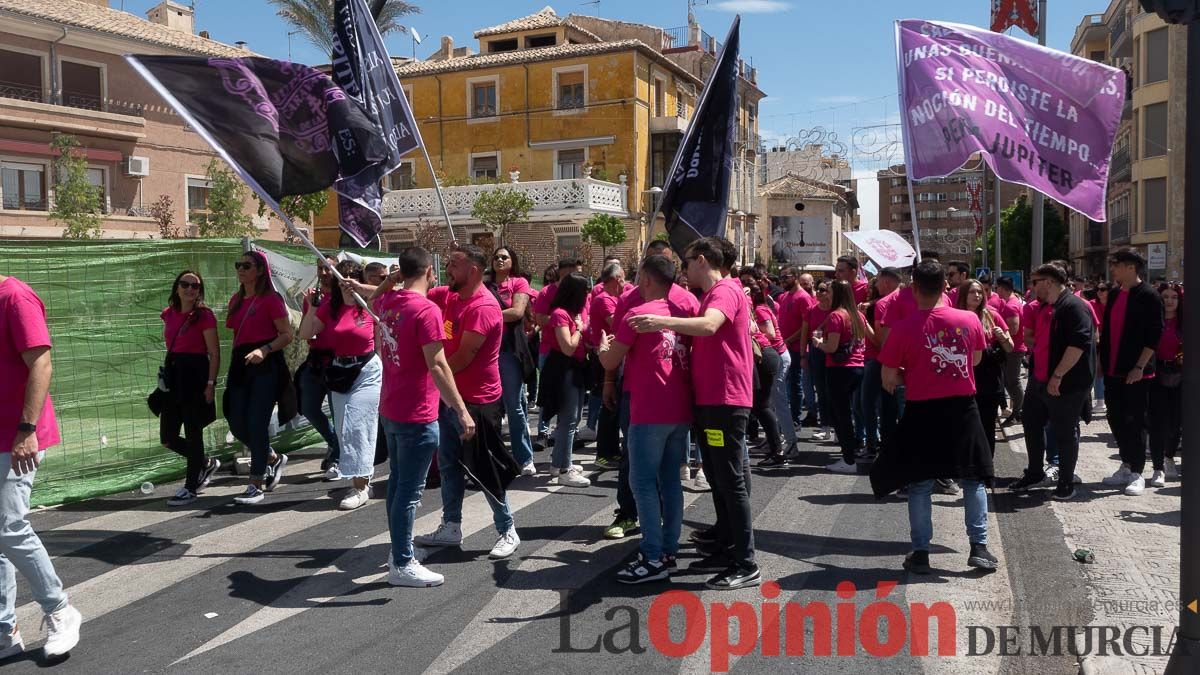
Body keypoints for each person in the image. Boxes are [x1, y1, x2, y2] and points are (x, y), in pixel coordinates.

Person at [628, 237, 760, 590]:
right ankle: (726, 544)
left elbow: (709, 325)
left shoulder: (724, 292)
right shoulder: (718, 292)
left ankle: (746, 562)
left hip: (725, 401)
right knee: (719, 477)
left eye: (686, 262)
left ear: (702, 260)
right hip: (714, 401)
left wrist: (660, 321)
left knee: (731, 480)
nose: (683, 270)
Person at [871, 260, 998, 575]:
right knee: (973, 478)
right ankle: (978, 547)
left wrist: (914, 374)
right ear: (946, 287)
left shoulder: (902, 329)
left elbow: (888, 379)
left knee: (920, 484)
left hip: (922, 410)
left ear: (913, 289)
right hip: (962, 408)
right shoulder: (969, 320)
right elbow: (977, 360)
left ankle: (921, 553)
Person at [373, 247, 476, 587]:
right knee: (408, 491)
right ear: (431, 272)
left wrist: (390, 281)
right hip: (416, 411)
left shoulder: (388, 305)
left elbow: (376, 298)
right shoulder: (426, 309)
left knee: (399, 485)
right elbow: (438, 364)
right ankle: (402, 561)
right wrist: (461, 410)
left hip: (391, 406)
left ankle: (398, 551)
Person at [415, 245, 521, 560]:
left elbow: (461, 357)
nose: (448, 269)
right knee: (449, 465)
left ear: (472, 270)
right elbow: (414, 294)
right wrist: (370, 285)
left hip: (478, 404)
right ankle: (451, 526)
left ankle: (507, 529)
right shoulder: (450, 296)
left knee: (483, 469)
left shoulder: (483, 306)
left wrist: (433, 372)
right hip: (452, 398)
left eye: (454, 265)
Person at [0, 274, 82, 659]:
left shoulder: (14, 296)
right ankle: (5, 629)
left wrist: (26, 429)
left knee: (8, 526)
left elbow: (42, 363)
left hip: (17, 437)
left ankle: (60, 610)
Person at [598, 255, 694, 583]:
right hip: (679, 408)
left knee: (642, 482)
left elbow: (610, 358)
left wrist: (601, 346)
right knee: (670, 481)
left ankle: (652, 555)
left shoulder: (638, 314)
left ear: (648, 280)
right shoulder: (685, 311)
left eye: (639, 278)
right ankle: (668, 550)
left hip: (649, 409)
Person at [298, 260, 380, 510]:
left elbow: (388, 295)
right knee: (345, 428)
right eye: (341, 277)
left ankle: (360, 485)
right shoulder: (328, 309)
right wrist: (312, 309)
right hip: (338, 372)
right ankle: (361, 474)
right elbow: (304, 334)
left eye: (352, 276)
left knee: (358, 425)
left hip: (367, 370)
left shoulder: (371, 305)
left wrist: (361, 288)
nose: (346, 281)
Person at [1010, 263, 1096, 500]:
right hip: (1040, 378)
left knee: (1065, 432)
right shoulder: (1050, 306)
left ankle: (1066, 483)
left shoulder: (1074, 306)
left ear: (1048, 282)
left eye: (1035, 282)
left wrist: (1057, 375)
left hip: (1065, 383)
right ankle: (1035, 472)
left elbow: (1079, 345)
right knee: (1031, 422)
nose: (1031, 286)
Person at [225, 251, 294, 506]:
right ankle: (272, 459)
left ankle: (255, 483)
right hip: (241, 363)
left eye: (247, 265)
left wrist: (264, 350)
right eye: (238, 265)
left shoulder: (271, 300)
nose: (241, 270)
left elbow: (287, 334)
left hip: (265, 364)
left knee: (256, 422)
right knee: (235, 421)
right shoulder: (236, 299)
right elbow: (236, 335)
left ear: (261, 271)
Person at [1098, 248, 1164, 497]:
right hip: (1114, 369)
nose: (1113, 269)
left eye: (1116, 265)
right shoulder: (1115, 294)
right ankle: (1126, 465)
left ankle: (1137, 472)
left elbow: (1154, 334)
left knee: (1135, 421)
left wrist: (1139, 366)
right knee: (1115, 418)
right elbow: (1107, 331)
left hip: (1137, 371)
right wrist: (1102, 362)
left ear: (1131, 267)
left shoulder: (1149, 295)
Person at [160, 270, 222, 506]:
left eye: (194, 286)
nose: (189, 289)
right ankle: (204, 463)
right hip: (174, 373)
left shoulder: (204, 316)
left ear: (199, 291)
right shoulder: (168, 314)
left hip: (195, 374)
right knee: (167, 437)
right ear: (177, 287)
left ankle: (190, 487)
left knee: (193, 432)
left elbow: (214, 353)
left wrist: (210, 383)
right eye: (184, 284)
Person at [539, 272, 592, 487]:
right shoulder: (560, 314)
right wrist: (579, 329)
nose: (587, 296)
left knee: (572, 418)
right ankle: (563, 469)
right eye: (584, 292)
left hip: (575, 368)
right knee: (568, 420)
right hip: (563, 368)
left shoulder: (572, 313)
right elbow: (568, 347)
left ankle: (559, 461)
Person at [813, 280, 869, 473]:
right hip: (858, 367)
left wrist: (818, 342)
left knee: (841, 415)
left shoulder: (836, 316)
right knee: (850, 413)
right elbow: (869, 336)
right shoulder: (858, 315)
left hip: (840, 369)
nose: (825, 294)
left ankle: (848, 459)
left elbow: (832, 347)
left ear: (835, 293)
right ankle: (852, 452)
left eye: (827, 291)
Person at [490, 246, 536, 476]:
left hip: (509, 351)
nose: (499, 260)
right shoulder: (484, 283)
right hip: (485, 351)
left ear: (512, 261)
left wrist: (483, 313)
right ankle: (496, 457)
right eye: (496, 257)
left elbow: (517, 312)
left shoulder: (519, 283)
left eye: (504, 257)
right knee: (490, 408)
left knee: (514, 407)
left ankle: (524, 457)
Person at [957, 279, 1013, 456]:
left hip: (988, 377)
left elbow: (1010, 346)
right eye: (972, 292)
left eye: (980, 292)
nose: (977, 295)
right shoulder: (955, 316)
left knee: (987, 424)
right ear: (964, 295)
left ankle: (986, 467)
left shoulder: (992, 315)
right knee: (963, 424)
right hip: (963, 377)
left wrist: (1002, 337)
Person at [299, 258, 342, 480]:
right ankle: (334, 444)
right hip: (315, 361)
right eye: (321, 268)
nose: (324, 272)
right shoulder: (312, 297)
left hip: (338, 362)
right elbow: (306, 330)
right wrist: (311, 309)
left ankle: (337, 457)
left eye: (329, 268)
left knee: (338, 413)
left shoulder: (343, 295)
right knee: (308, 408)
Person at [741, 269, 788, 467]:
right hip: (767, 355)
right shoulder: (754, 305)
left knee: (762, 406)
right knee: (761, 406)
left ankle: (778, 451)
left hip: (765, 356)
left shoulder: (753, 306)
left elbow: (762, 332)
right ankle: (775, 447)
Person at [584, 262, 624, 463]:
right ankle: (605, 453)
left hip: (614, 354)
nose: (625, 283)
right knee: (609, 403)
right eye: (623, 278)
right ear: (617, 279)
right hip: (606, 356)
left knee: (614, 403)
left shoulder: (614, 298)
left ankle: (612, 449)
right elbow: (617, 323)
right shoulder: (604, 300)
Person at [859, 267, 901, 454]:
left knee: (868, 404)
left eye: (877, 281)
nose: (874, 285)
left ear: (885, 282)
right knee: (894, 406)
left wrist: (864, 323)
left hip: (880, 361)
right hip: (904, 360)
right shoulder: (909, 298)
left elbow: (880, 342)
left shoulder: (883, 304)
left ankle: (872, 446)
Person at [1148, 283, 1182, 485]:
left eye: (1174, 297)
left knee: (1176, 422)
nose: (1169, 301)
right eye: (1166, 297)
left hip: (1181, 375)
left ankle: (1169, 458)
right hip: (1156, 373)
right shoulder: (1153, 320)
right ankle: (1158, 468)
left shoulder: (1186, 323)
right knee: (1157, 423)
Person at [777, 267, 816, 430]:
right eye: (781, 277)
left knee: (795, 383)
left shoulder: (803, 298)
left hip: (795, 347)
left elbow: (805, 326)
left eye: (785, 277)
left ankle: (795, 418)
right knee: (787, 383)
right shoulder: (785, 296)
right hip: (784, 346)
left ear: (796, 277)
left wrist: (788, 340)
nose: (782, 280)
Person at [802, 280, 834, 441]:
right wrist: (803, 356)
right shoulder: (812, 310)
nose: (819, 293)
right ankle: (826, 427)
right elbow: (804, 334)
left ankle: (837, 426)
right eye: (818, 290)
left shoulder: (837, 311)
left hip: (834, 352)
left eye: (823, 290)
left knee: (834, 392)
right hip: (816, 353)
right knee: (821, 391)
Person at [993, 277, 1026, 426]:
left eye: (997, 287)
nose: (995, 290)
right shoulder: (1011, 303)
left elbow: (1013, 329)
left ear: (1003, 288)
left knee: (1013, 381)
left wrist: (997, 333)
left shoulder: (1011, 306)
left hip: (1014, 348)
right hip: (1014, 347)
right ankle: (1018, 410)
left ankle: (1019, 411)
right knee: (1009, 381)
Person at [1090, 282, 1111, 412]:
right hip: (1096, 341)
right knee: (1097, 369)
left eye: (1103, 289)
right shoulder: (1092, 304)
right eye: (1097, 289)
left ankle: (1106, 399)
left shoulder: (1114, 304)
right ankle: (1099, 400)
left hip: (1112, 341)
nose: (1099, 291)